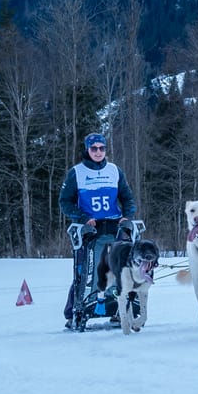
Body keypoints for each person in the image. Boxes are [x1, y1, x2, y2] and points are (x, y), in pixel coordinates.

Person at [60, 132, 136, 330]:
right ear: (87, 149)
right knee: (88, 271)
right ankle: (74, 312)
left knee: (120, 268)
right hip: (90, 230)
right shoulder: (76, 172)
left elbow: (127, 198)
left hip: (114, 226)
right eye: (94, 148)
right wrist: (84, 218)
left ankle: (120, 309)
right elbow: (65, 202)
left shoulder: (114, 171)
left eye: (102, 148)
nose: (98, 152)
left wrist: (127, 215)